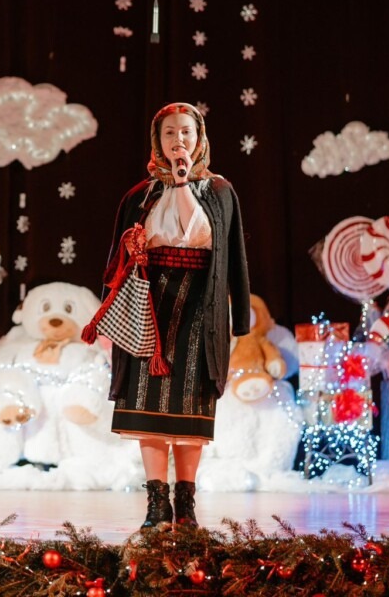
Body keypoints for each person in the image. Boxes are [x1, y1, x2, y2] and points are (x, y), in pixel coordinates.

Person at [83, 102, 249, 529]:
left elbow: (228, 253)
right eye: (170, 133)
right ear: (157, 140)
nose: (179, 141)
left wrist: (241, 317)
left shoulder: (220, 192)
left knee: (191, 407)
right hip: (149, 305)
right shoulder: (139, 196)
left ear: (200, 137)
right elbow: (115, 261)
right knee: (149, 406)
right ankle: (157, 504)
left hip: (200, 306)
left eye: (186, 132)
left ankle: (186, 504)